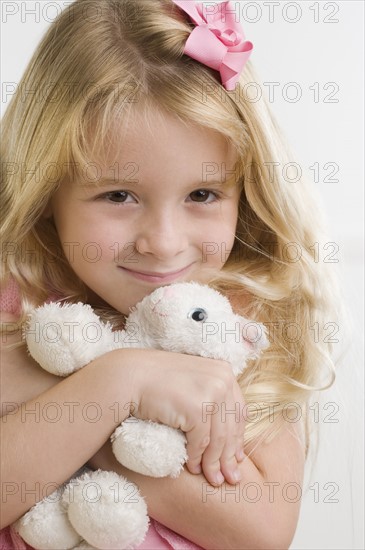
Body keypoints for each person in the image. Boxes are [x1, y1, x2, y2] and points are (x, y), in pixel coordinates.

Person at [0, 0, 340, 548]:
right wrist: (123, 382)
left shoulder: (244, 319)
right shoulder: (18, 301)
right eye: (118, 195)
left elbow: (260, 531)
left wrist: (78, 410)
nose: (162, 242)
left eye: (202, 194)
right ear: (45, 192)